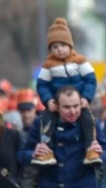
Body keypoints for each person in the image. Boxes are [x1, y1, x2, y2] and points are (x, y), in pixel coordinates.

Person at [33, 18, 100, 167]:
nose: (59, 49)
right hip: (56, 104)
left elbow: (91, 80)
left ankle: (91, 148)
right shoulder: (48, 66)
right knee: (46, 120)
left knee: (87, 119)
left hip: (78, 102)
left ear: (70, 45)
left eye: (63, 45)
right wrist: (48, 100)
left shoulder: (80, 61)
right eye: (55, 46)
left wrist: (86, 97)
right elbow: (42, 85)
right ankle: (47, 149)